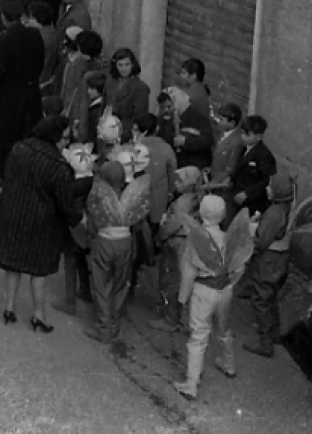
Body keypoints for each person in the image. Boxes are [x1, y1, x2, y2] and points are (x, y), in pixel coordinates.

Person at [0, 115, 81, 331]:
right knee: (38, 272)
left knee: (12, 264)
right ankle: (38, 315)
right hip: (41, 224)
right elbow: (64, 203)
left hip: (13, 214)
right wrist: (77, 219)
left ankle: (9, 308)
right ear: (55, 137)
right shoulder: (58, 167)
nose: (66, 143)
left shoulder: (19, 148)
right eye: (65, 138)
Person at [174, 196, 253, 400]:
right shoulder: (229, 238)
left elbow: (189, 273)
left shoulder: (196, 241)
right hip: (224, 289)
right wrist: (231, 283)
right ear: (224, 215)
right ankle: (229, 364)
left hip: (203, 290)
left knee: (198, 336)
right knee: (224, 328)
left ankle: (191, 384)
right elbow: (240, 265)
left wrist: (182, 298)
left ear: (200, 212)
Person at [83, 160, 150, 345]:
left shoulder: (98, 196)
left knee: (101, 284)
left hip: (104, 240)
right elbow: (138, 223)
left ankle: (103, 328)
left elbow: (91, 225)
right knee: (120, 284)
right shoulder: (131, 197)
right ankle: (114, 326)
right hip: (125, 242)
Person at [0, 0, 44, 188]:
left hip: (8, 94)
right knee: (26, 134)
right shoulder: (35, 36)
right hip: (30, 91)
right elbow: (39, 65)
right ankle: (25, 172)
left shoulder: (5, 39)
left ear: (3, 17)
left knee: (7, 138)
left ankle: (6, 175)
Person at [243, 172, 295, 358]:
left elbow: (262, 241)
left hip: (270, 258)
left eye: (270, 186)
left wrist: (249, 252)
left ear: (278, 191)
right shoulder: (286, 207)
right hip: (281, 257)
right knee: (270, 294)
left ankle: (265, 343)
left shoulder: (274, 213)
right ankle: (275, 334)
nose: (267, 188)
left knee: (261, 296)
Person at [148, 166, 204, 334]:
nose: (176, 183)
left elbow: (171, 225)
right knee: (181, 281)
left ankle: (170, 320)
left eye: (180, 180)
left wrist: (159, 237)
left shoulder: (182, 204)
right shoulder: (195, 197)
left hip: (177, 242)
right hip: (188, 242)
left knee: (171, 279)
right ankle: (179, 318)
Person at [229, 115, 276, 219]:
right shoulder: (243, 149)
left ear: (259, 136)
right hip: (238, 198)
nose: (242, 137)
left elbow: (266, 181)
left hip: (253, 204)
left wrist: (247, 194)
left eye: (247, 135)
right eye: (241, 133)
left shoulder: (265, 156)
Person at [102, 47, 150, 135]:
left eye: (127, 64)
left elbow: (140, 117)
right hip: (106, 129)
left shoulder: (140, 88)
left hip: (126, 132)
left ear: (133, 65)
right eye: (120, 65)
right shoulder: (110, 82)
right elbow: (104, 104)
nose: (124, 68)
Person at [167, 85, 215, 171]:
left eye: (170, 105)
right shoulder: (169, 119)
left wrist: (185, 141)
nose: (168, 109)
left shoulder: (198, 118)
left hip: (195, 167)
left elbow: (208, 140)